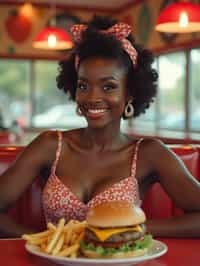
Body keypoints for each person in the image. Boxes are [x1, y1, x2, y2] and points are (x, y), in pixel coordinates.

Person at [0, 15, 200, 238]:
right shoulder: (50, 145)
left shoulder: (148, 153)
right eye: (83, 85)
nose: (92, 97)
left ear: (130, 93)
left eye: (108, 87)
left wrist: (139, 229)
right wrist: (39, 241)